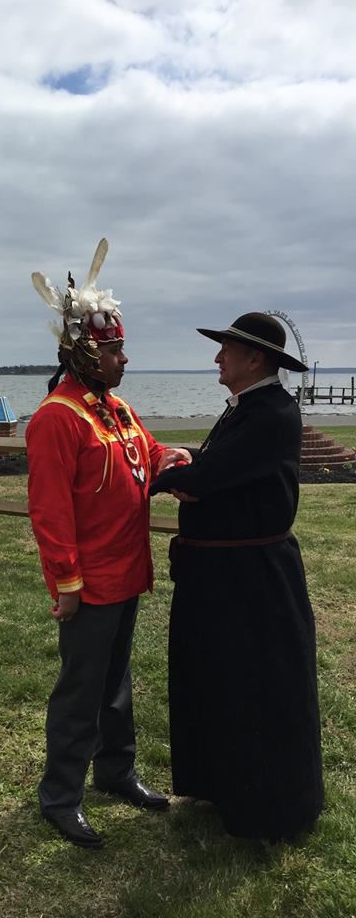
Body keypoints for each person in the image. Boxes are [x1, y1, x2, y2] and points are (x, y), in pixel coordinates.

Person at [26, 239, 191, 848]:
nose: (124, 358)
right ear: (83, 355)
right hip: (89, 581)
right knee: (81, 690)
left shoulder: (115, 409)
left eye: (121, 346)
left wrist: (181, 460)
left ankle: (116, 772)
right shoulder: (57, 418)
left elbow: (147, 454)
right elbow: (49, 511)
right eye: (113, 348)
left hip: (128, 572)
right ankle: (59, 795)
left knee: (117, 683)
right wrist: (65, 582)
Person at [150, 312, 324, 841]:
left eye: (227, 349)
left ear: (256, 359)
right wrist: (193, 460)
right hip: (226, 575)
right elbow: (226, 464)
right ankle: (224, 785)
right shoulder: (252, 408)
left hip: (250, 581)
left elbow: (215, 477)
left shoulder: (270, 412)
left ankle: (265, 806)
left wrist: (169, 477)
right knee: (221, 680)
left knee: (253, 685)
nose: (218, 357)